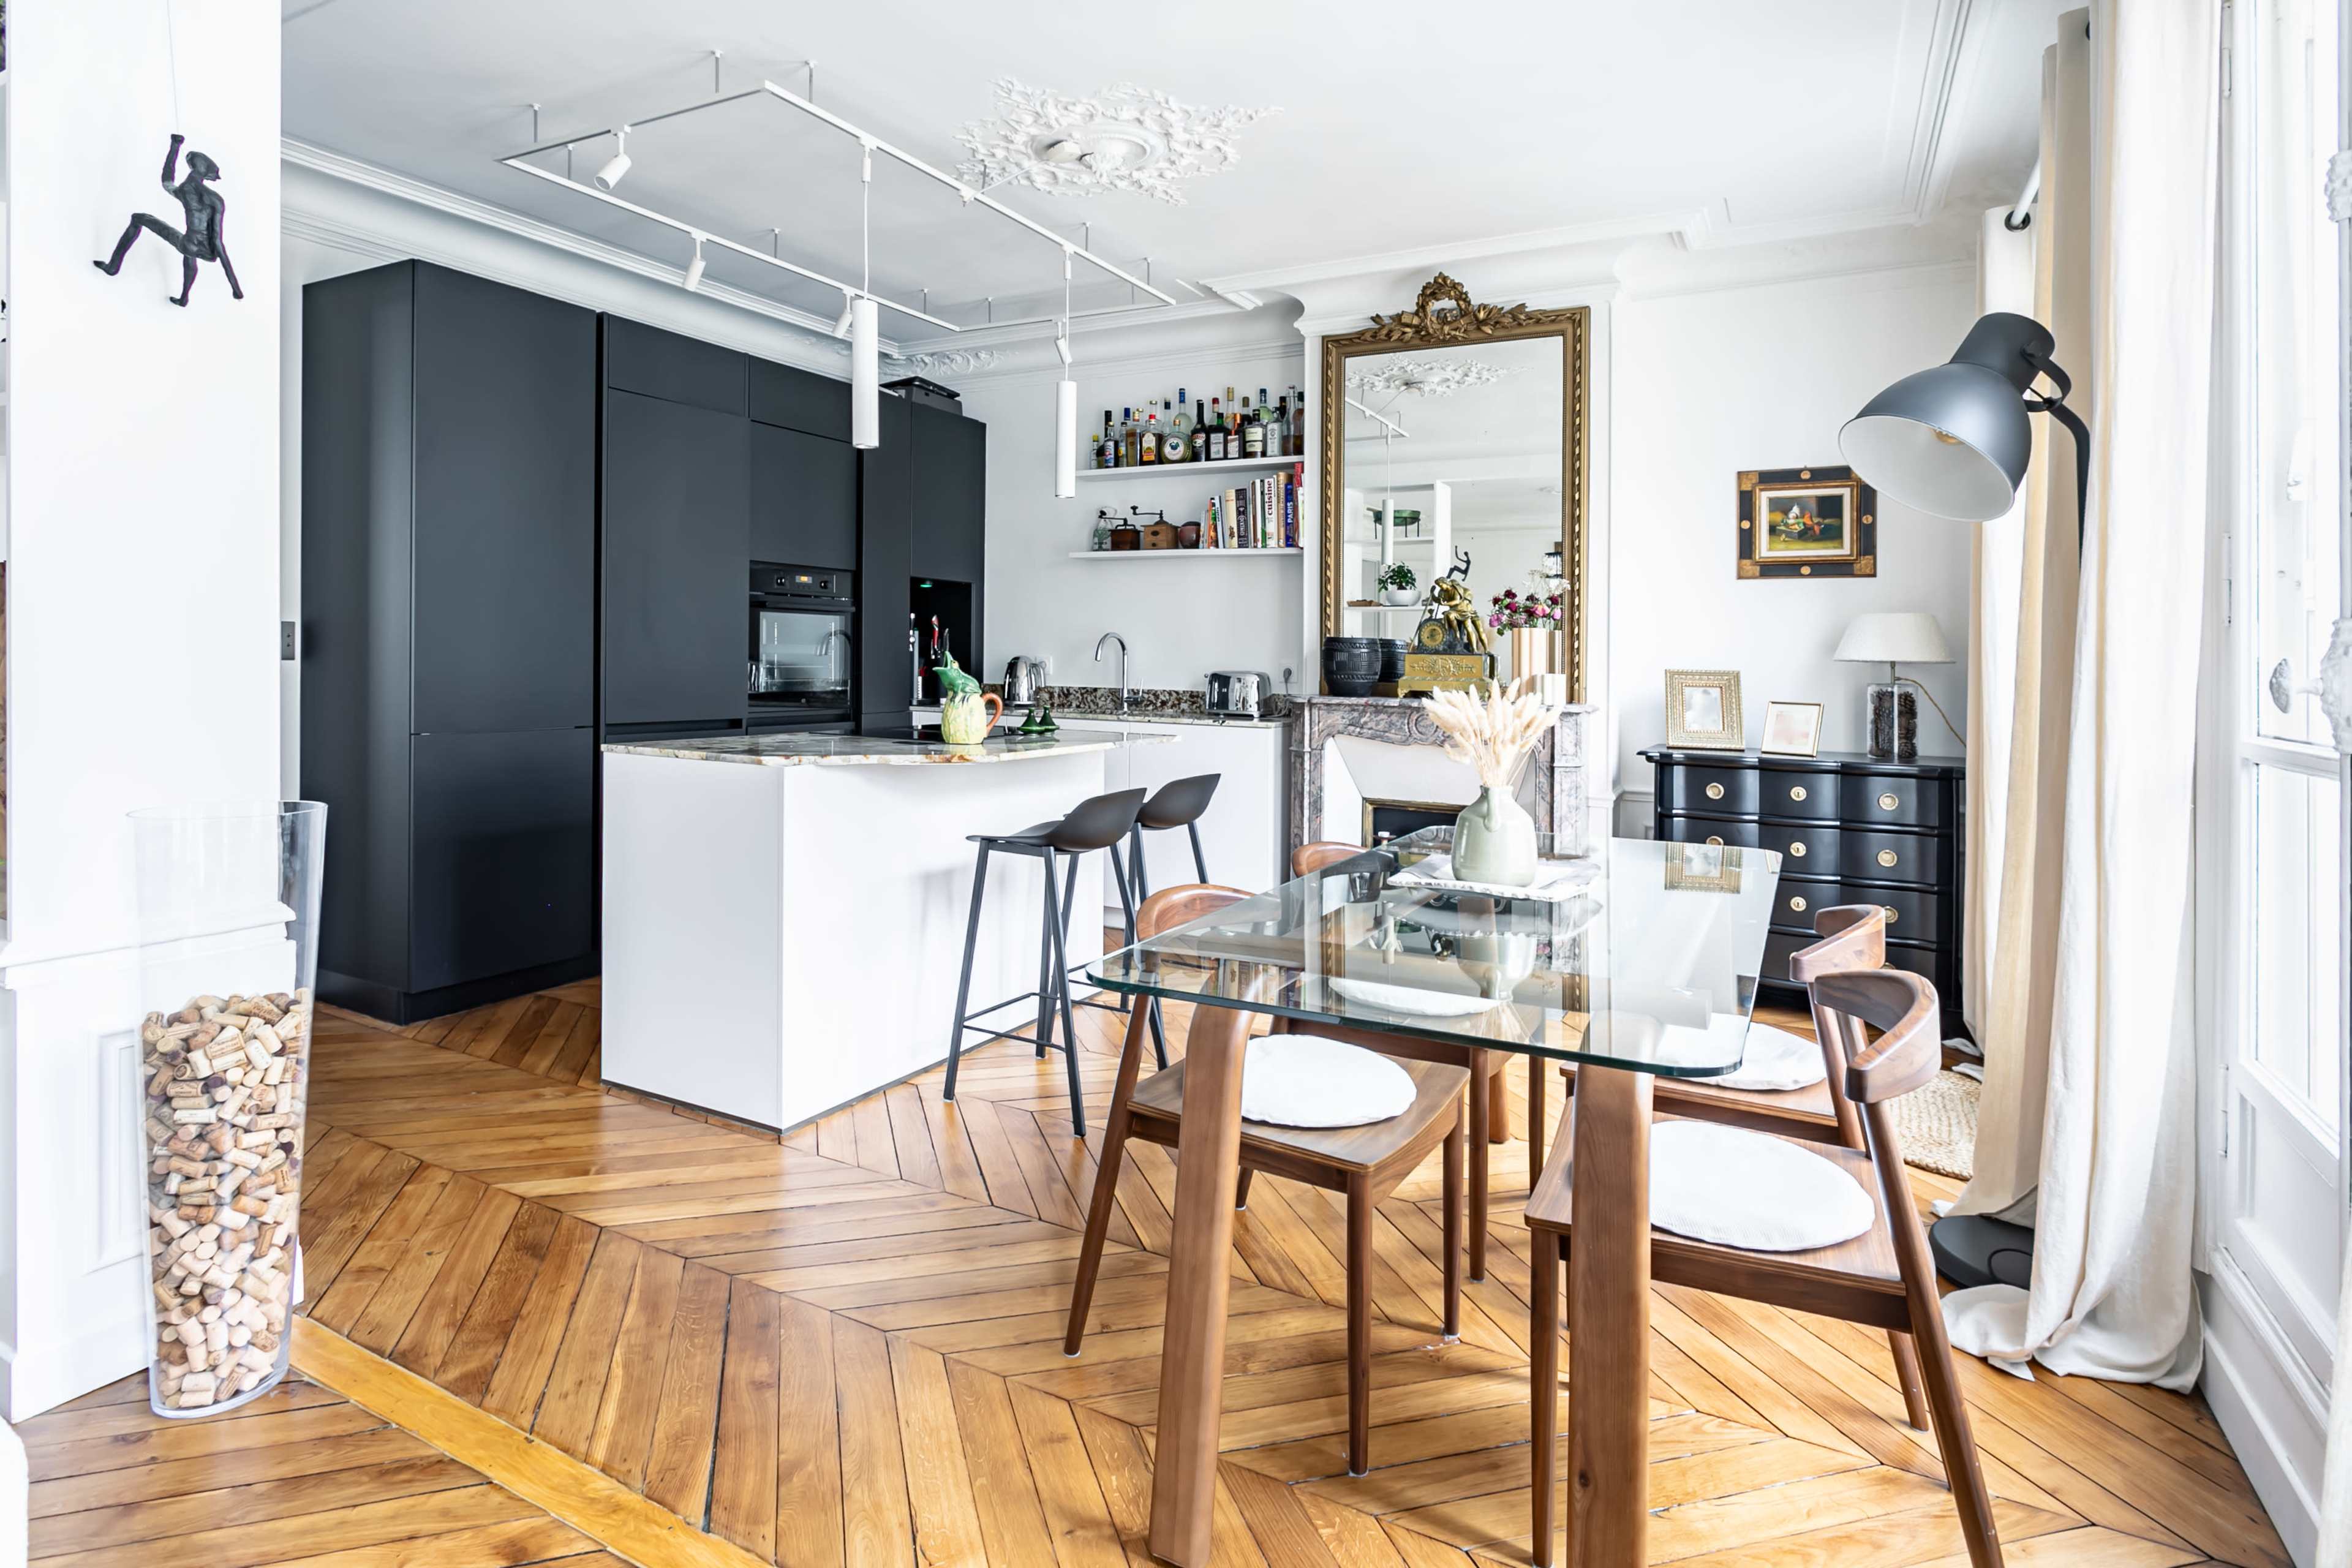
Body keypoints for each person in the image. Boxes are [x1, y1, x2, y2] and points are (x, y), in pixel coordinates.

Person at [94, 134, 242, 307]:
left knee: (139, 219)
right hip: (203, 250)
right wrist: (235, 287)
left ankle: (113, 266)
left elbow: (167, 181)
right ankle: (184, 298)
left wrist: (175, 147)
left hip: (188, 243)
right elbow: (217, 242)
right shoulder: (213, 199)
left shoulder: (187, 191)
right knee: (189, 254)